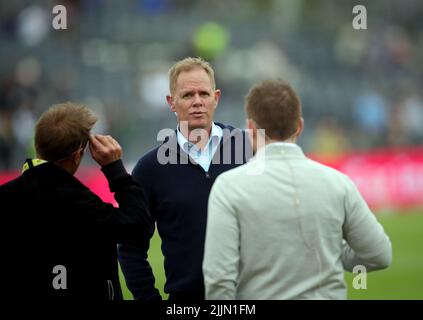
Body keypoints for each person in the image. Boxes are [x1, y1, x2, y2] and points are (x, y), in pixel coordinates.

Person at [203, 80, 392, 299]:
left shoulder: (229, 186)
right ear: (299, 126)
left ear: (251, 129)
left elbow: (219, 281)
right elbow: (379, 254)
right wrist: (334, 253)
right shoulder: (338, 183)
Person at [118, 57, 252, 301]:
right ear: (172, 102)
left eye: (204, 93)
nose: (198, 102)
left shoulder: (250, 151)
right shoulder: (151, 168)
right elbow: (130, 247)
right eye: (188, 95)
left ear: (217, 98)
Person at [0, 102, 154, 300]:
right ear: (77, 155)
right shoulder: (82, 203)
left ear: (37, 144)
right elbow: (139, 227)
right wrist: (115, 169)